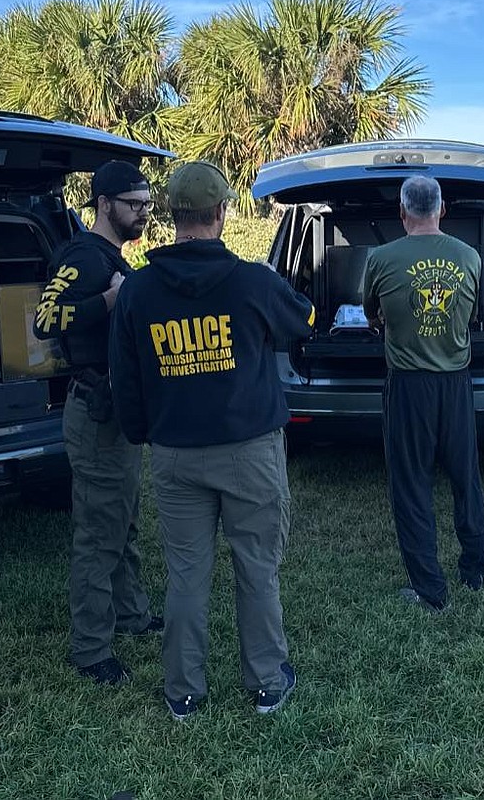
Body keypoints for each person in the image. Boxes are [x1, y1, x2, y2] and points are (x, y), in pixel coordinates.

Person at [110, 160, 315, 720]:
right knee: (256, 566)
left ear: (171, 217)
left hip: (175, 454)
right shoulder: (252, 280)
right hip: (249, 450)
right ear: (222, 212)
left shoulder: (137, 290)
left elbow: (124, 377)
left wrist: (141, 434)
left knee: (185, 575)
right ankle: (268, 682)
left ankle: (184, 692)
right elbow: (305, 319)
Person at [33, 160, 160, 686]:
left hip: (117, 411)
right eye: (134, 205)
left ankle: (130, 614)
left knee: (121, 521)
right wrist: (107, 300)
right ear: (104, 204)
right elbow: (45, 318)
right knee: (99, 533)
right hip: (95, 409)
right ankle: (91, 649)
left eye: (148, 205)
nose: (144, 215)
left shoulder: (115, 257)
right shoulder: (85, 257)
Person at [361, 175, 484, 613]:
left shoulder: (380, 258)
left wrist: (384, 324)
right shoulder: (469, 256)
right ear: (442, 209)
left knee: (411, 485)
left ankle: (430, 589)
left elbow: (371, 311)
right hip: (455, 383)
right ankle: (474, 568)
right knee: (465, 477)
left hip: (409, 386)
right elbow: (471, 313)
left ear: (401, 212)